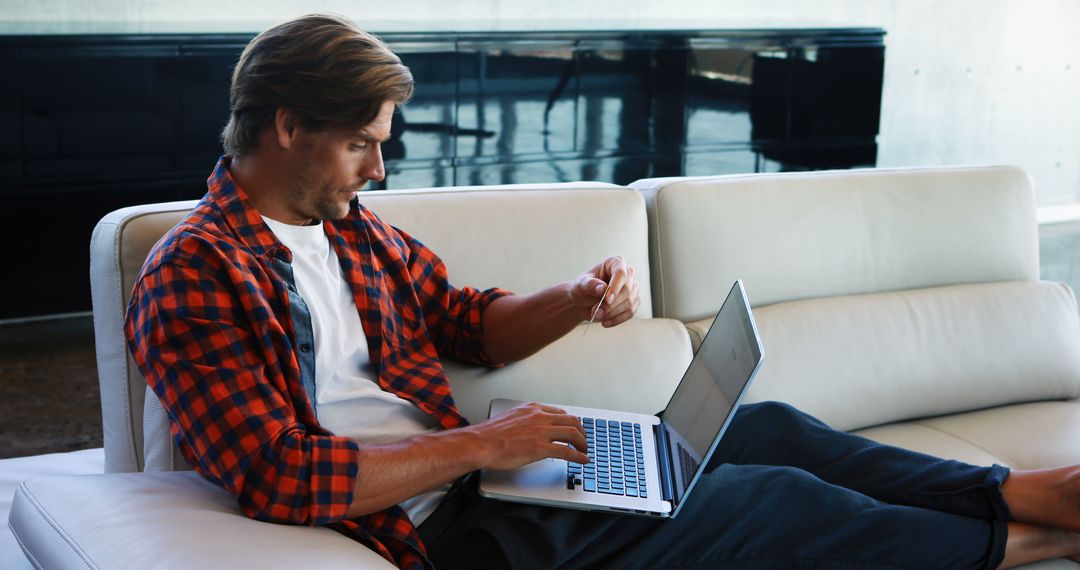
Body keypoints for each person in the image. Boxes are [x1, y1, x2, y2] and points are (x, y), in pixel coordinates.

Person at [125, 13, 1080, 570]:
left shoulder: (350, 228)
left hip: (482, 475)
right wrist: (487, 446)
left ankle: (1018, 489)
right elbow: (281, 474)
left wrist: (577, 296)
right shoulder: (195, 274)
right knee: (763, 497)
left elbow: (471, 326)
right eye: (362, 141)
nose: (380, 165)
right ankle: (1021, 543)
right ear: (289, 125)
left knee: (769, 429)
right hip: (456, 534)